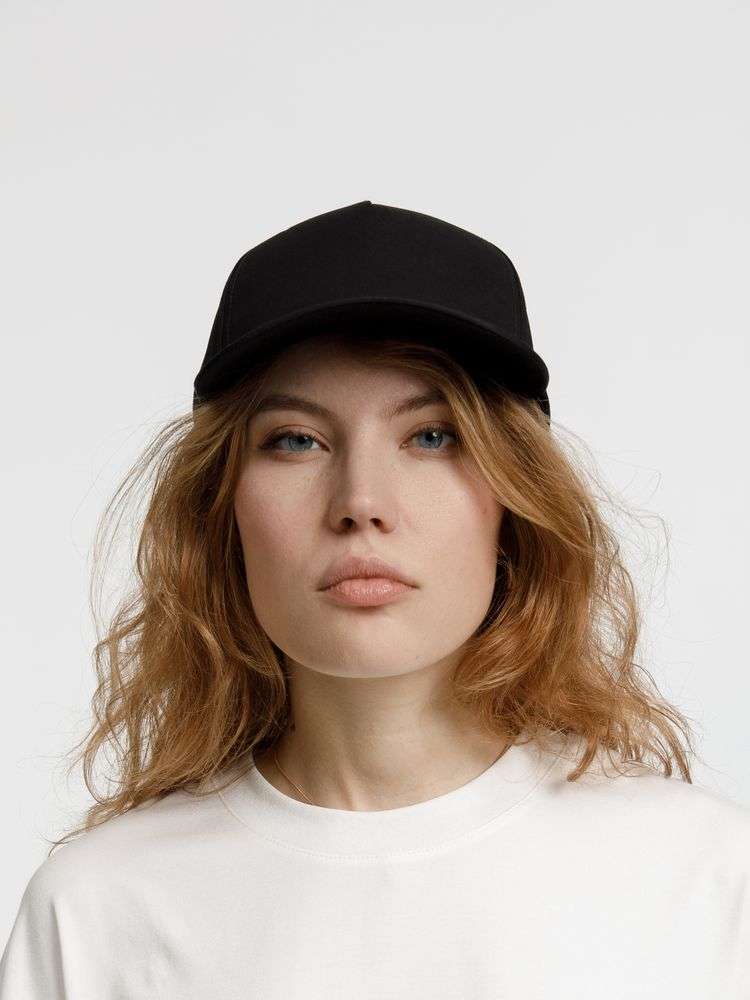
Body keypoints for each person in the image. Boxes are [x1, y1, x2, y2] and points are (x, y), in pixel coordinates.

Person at [1, 202, 748, 998]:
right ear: (221, 510)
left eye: (433, 436)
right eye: (297, 439)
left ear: (516, 498)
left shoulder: (699, 877)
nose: (361, 501)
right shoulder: (98, 910)